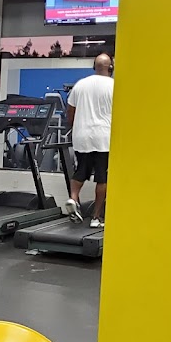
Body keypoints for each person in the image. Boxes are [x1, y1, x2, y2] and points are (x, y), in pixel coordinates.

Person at [64, 53, 114, 229]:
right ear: (111, 67)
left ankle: (73, 198)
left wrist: (75, 126)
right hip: (104, 137)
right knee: (102, 177)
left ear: (94, 67)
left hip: (82, 136)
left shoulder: (80, 84)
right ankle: (96, 217)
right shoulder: (114, 86)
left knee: (81, 170)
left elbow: (70, 111)